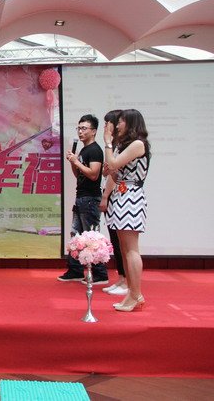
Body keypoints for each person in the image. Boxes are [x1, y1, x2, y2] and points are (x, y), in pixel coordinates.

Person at [104, 109, 150, 312]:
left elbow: (113, 163)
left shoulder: (138, 144)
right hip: (121, 195)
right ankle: (132, 293)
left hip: (131, 197)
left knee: (131, 249)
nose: (117, 125)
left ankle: (136, 294)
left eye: (121, 121)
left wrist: (107, 142)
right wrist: (111, 169)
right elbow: (112, 170)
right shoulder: (126, 145)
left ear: (131, 123)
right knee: (124, 249)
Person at [57, 114, 108, 284]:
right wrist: (73, 162)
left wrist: (77, 162)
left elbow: (94, 175)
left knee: (91, 237)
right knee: (76, 236)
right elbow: (79, 175)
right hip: (81, 197)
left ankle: (100, 273)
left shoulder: (95, 150)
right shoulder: (84, 150)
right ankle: (75, 270)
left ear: (93, 131)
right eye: (78, 128)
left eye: (84, 128)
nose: (80, 131)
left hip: (90, 199)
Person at [99, 109, 128, 296]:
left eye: (108, 123)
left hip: (116, 195)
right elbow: (108, 171)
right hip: (112, 195)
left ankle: (126, 281)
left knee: (121, 242)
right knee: (115, 240)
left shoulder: (121, 145)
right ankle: (122, 278)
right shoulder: (114, 145)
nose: (106, 126)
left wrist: (105, 196)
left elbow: (114, 175)